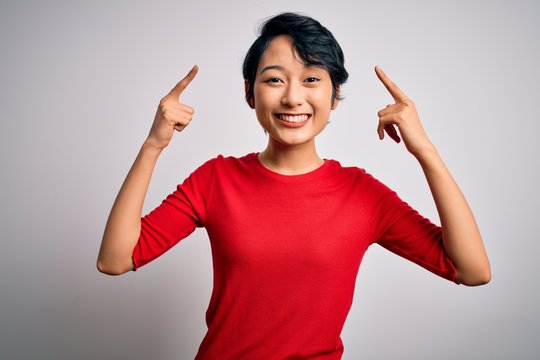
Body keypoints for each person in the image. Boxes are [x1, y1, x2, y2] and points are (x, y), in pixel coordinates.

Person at [97, 12, 490, 360]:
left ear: (335, 95)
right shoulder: (216, 179)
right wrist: (153, 145)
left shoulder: (362, 194)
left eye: (312, 79)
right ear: (250, 93)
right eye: (274, 80)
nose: (292, 97)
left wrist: (425, 149)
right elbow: (115, 260)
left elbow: (471, 270)